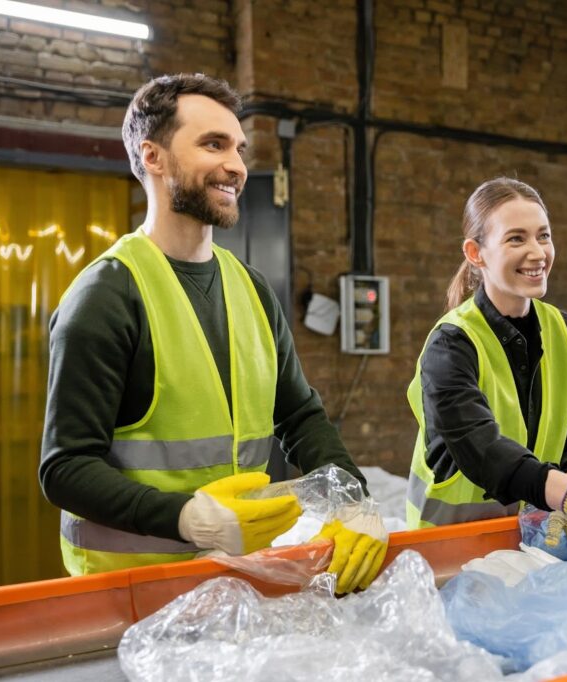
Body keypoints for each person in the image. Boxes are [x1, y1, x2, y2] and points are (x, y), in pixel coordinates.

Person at [39, 74, 386, 594]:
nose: (237, 166)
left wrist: (353, 502)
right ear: (153, 156)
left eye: (239, 148)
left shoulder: (250, 287)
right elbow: (65, 467)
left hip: (233, 581)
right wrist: (186, 517)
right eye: (213, 144)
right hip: (126, 597)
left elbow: (299, 416)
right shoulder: (106, 296)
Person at [405, 177, 567, 569]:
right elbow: (482, 450)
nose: (537, 252)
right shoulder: (451, 344)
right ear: (476, 253)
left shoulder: (562, 329)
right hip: (452, 556)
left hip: (535, 547)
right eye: (516, 239)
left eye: (544, 236)